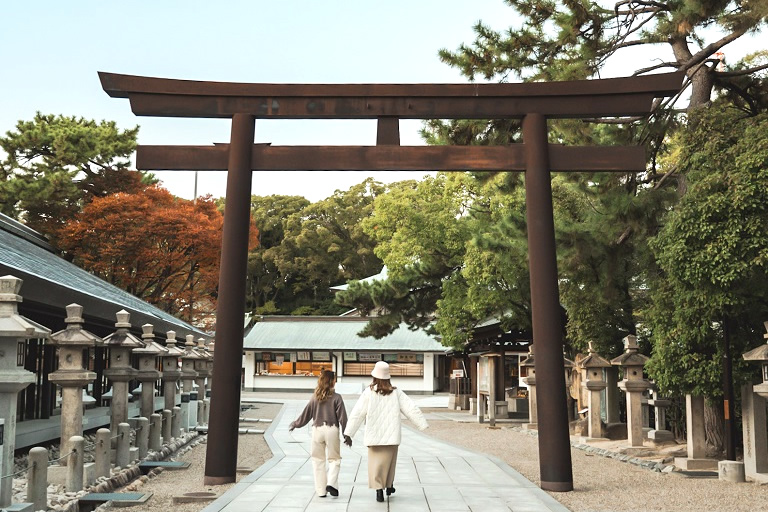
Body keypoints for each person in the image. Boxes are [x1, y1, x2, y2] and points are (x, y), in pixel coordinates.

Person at [344, 361, 429, 503]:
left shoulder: (368, 392)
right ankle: (389, 486)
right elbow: (410, 408)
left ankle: (379, 490)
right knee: (389, 463)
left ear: (375, 376)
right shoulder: (396, 392)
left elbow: (357, 413)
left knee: (375, 464)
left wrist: (349, 433)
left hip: (374, 435)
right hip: (392, 436)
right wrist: (422, 424)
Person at [289, 370, 352, 498]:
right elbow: (343, 418)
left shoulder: (315, 397)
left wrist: (295, 424)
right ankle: (331, 483)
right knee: (334, 459)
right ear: (332, 381)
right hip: (332, 430)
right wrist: (347, 435)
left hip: (317, 430)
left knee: (318, 460)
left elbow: (306, 414)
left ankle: (321, 491)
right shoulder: (337, 397)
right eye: (334, 379)